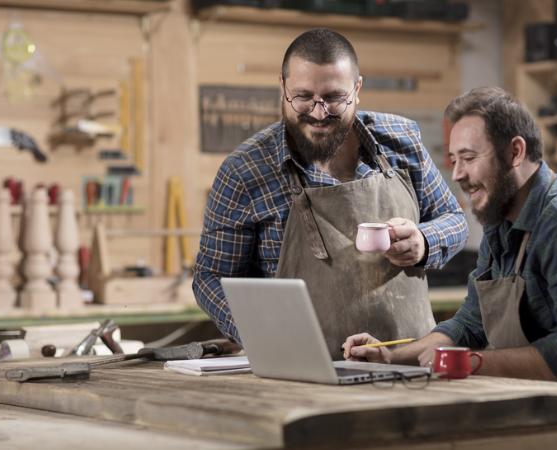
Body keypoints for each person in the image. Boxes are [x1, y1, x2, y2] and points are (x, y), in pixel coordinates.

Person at [343, 87, 557, 450]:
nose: (458, 175)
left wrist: (469, 363)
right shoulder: (501, 221)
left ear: (515, 152)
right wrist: (392, 357)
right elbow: (471, 323)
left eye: (469, 158)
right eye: (453, 160)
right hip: (543, 398)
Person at [193, 28, 468, 359]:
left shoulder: (402, 142)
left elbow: (455, 221)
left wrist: (424, 241)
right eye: (303, 97)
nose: (319, 112)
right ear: (282, 88)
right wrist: (260, 331)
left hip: (407, 362)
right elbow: (211, 277)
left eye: (334, 98)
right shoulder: (245, 171)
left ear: (357, 89)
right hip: (302, 369)